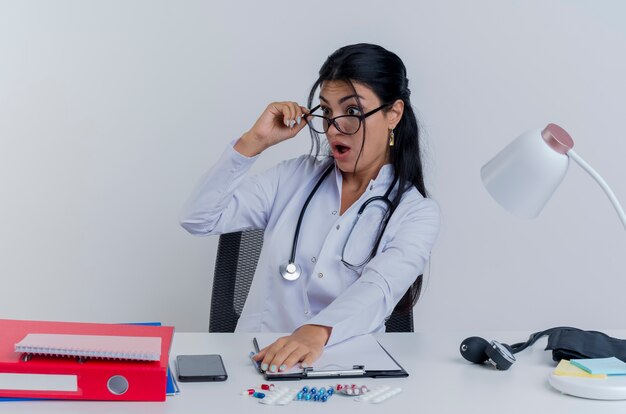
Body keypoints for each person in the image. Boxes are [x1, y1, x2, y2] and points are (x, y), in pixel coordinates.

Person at [179, 43, 440, 374]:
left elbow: (380, 287)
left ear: (394, 114)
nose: (333, 128)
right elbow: (198, 219)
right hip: (257, 363)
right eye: (327, 113)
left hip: (348, 368)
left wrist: (316, 333)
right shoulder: (294, 177)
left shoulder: (416, 213)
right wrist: (254, 141)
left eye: (354, 112)